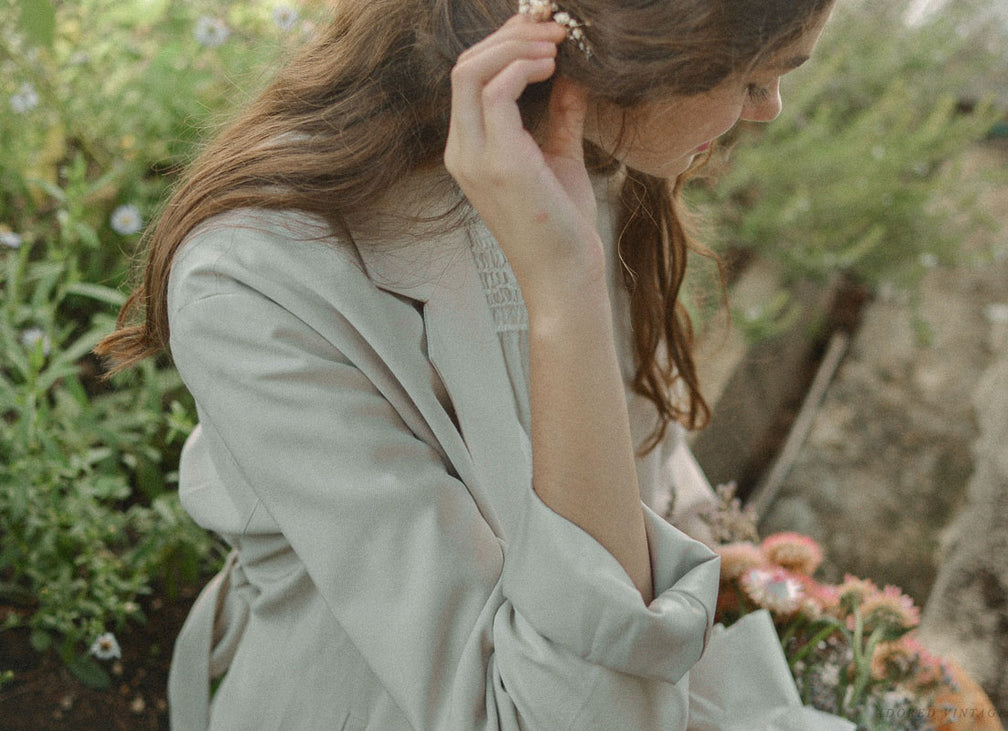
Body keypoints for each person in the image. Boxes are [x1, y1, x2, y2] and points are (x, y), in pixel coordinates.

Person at [96, 0, 855, 728]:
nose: (770, 109)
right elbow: (547, 715)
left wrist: (738, 568)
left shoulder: (588, 161)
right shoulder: (257, 278)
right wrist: (565, 296)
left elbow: (646, 454)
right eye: (753, 79)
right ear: (636, 47)